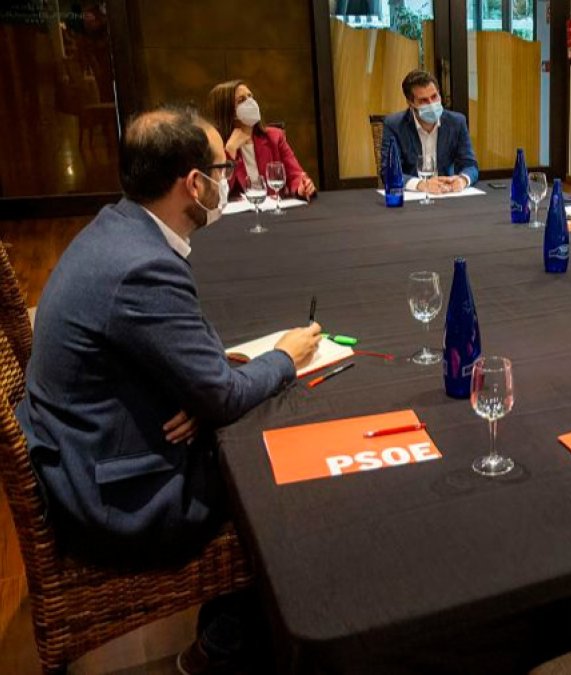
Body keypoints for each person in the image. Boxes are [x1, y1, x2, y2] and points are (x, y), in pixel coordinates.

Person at [16, 106, 323, 670]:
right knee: (281, 469)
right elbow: (223, 396)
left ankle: (227, 634)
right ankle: (228, 650)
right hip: (118, 494)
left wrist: (199, 388)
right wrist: (286, 356)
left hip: (82, 445)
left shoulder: (116, 227)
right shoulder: (143, 268)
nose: (228, 180)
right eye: (222, 169)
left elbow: (198, 367)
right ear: (194, 183)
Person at [207, 79, 317, 200]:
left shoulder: (275, 137)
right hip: (240, 211)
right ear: (228, 111)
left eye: (250, 96)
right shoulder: (215, 145)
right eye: (241, 100)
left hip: (273, 208)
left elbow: (295, 175)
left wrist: (301, 187)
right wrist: (230, 150)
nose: (250, 102)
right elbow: (216, 193)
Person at [379, 69, 479, 194]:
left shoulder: (456, 122)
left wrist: (462, 180)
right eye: (423, 100)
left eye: (434, 96)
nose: (431, 104)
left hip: (446, 194)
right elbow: (388, 172)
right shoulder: (394, 125)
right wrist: (422, 185)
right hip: (413, 197)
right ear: (410, 103)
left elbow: (470, 165)